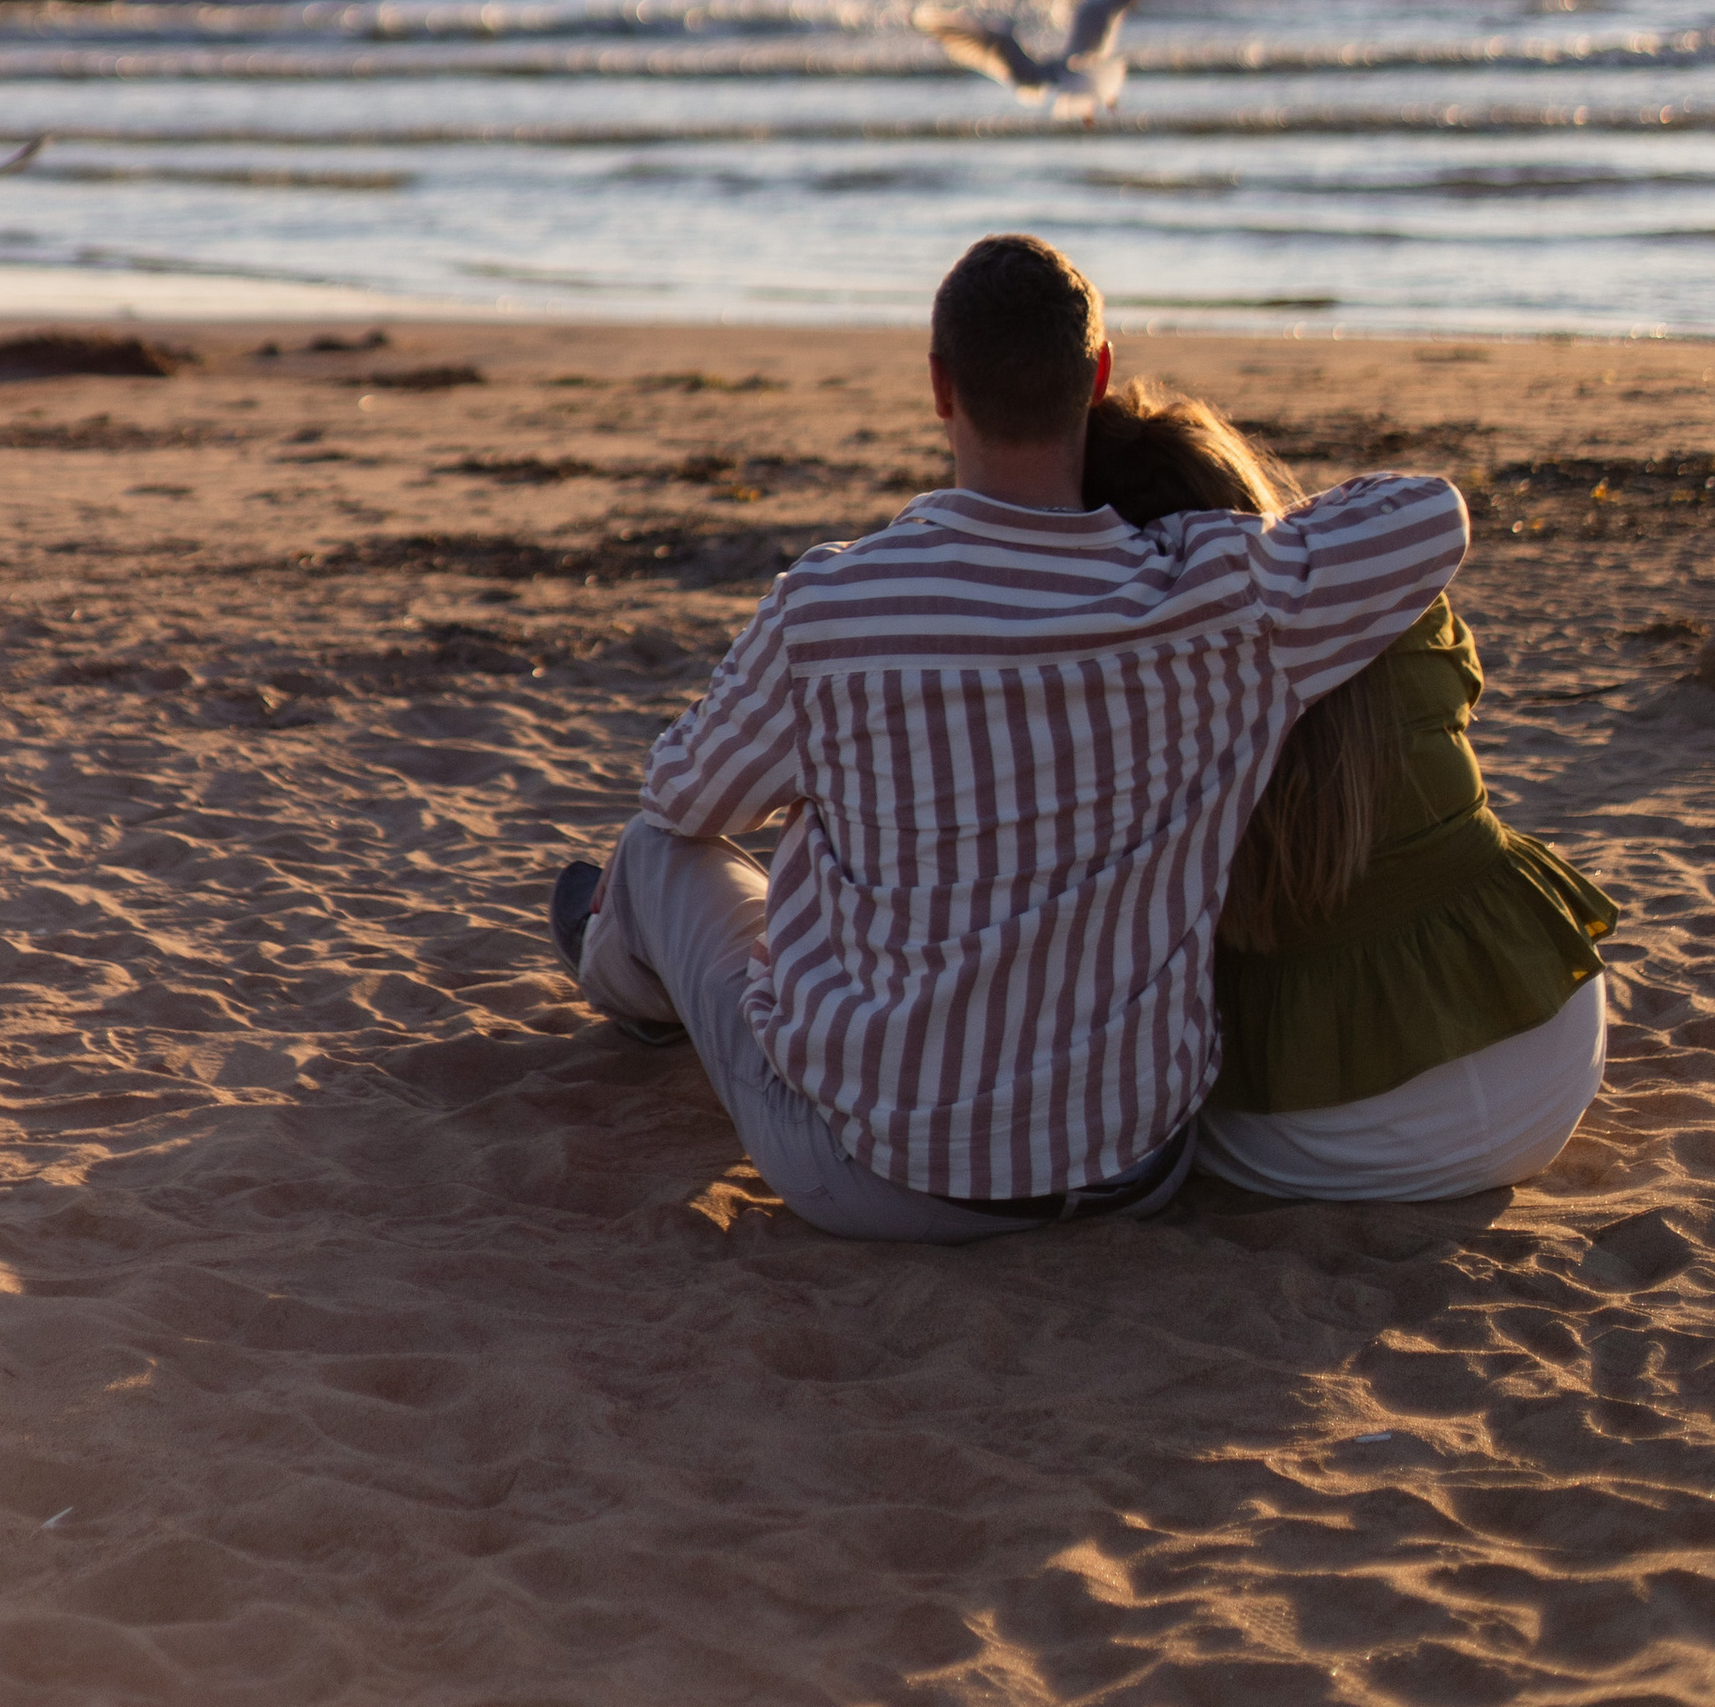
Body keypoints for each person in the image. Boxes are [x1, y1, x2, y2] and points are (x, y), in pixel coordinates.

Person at [553, 234, 1468, 1243]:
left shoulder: (831, 606)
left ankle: (625, 980)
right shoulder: (1216, 595)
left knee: (650, 857)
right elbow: (1429, 514)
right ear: (1101, 379)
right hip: (1136, 1163)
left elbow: (684, 797)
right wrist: (1224, 531)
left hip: (875, 1176)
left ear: (941, 388)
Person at [1083, 381, 1616, 1200]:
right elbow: (1455, 693)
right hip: (1548, 1056)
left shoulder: (1120, 688)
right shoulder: (1402, 601)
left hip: (1324, 1132)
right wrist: (1271, 531)